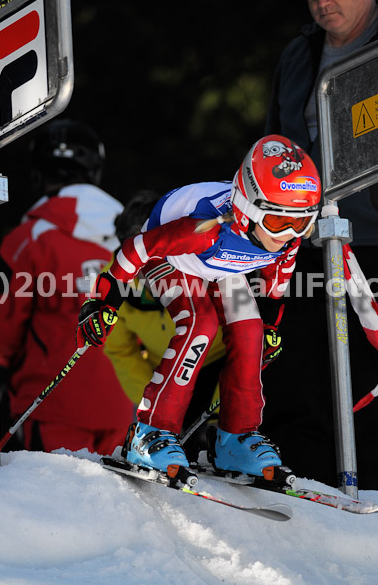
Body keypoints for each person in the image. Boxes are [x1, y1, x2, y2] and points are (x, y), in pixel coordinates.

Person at [76, 134, 322, 478]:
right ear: (248, 211)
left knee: (249, 331)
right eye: (280, 222)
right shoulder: (203, 228)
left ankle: (234, 438)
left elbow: (275, 283)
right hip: (174, 258)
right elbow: (135, 250)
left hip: (221, 265)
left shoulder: (284, 240)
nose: (290, 234)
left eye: (303, 222)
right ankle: (149, 432)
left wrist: (270, 327)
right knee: (198, 325)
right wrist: (102, 303)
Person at [263, 0, 378, 492]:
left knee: (376, 383)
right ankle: (309, 503)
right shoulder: (298, 55)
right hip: (308, 245)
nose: (322, 0)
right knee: (297, 377)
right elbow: (274, 146)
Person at [0, 118, 133, 454]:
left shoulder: (30, 237)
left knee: (56, 504)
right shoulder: (135, 237)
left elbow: (3, 332)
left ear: (38, 172)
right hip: (128, 407)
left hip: (52, 407)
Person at [103, 191, 226, 460]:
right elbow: (120, 351)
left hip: (217, 363)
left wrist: (220, 413)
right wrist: (153, 401)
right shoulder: (114, 276)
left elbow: (240, 337)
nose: (150, 263)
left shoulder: (208, 261)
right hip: (166, 369)